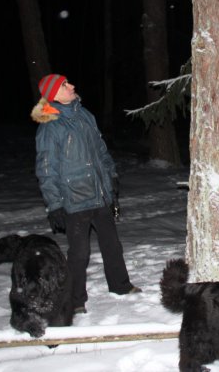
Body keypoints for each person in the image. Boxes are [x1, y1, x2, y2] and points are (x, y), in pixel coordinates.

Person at [31, 74, 140, 315]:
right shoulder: (50, 125)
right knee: (79, 254)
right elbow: (46, 169)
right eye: (65, 85)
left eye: (69, 82)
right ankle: (74, 299)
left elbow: (101, 150)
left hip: (99, 193)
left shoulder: (84, 115)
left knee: (112, 244)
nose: (72, 86)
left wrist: (111, 177)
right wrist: (54, 204)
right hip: (75, 198)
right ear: (53, 94)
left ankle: (120, 285)